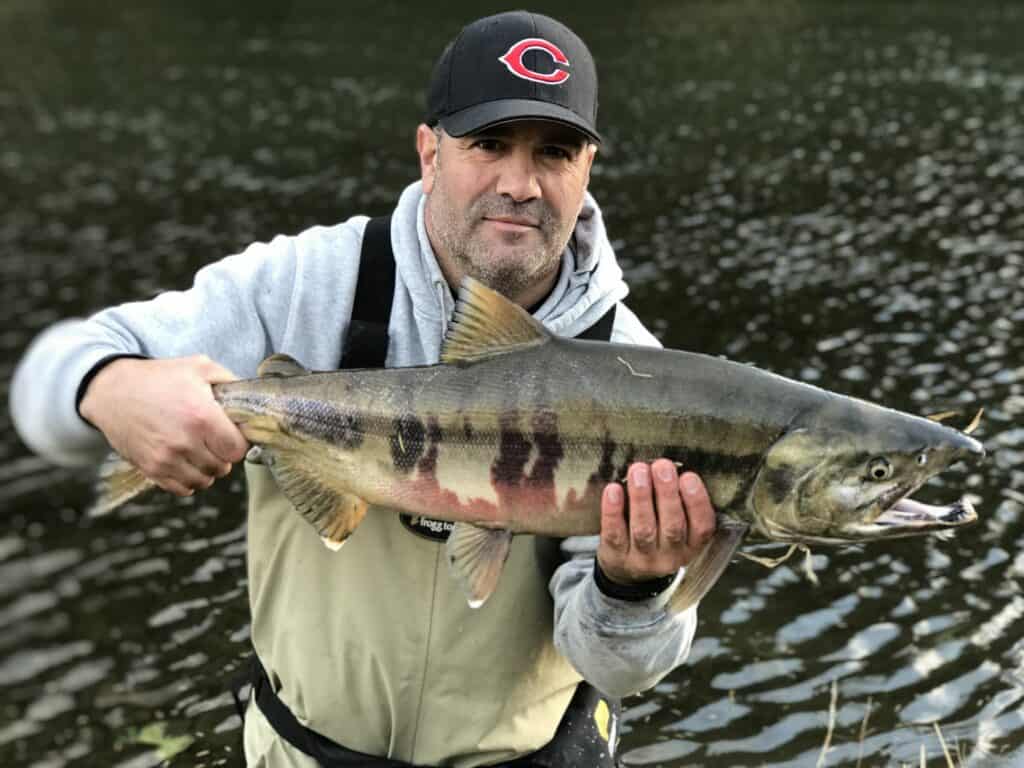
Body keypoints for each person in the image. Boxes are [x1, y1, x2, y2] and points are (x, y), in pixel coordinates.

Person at [10, 11, 716, 768]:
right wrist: (108, 388)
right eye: (487, 145)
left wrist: (634, 586)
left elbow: (619, 671)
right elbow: (47, 383)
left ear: (586, 169)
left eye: (554, 151)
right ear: (428, 154)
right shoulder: (304, 286)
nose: (520, 183)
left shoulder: (639, 373)